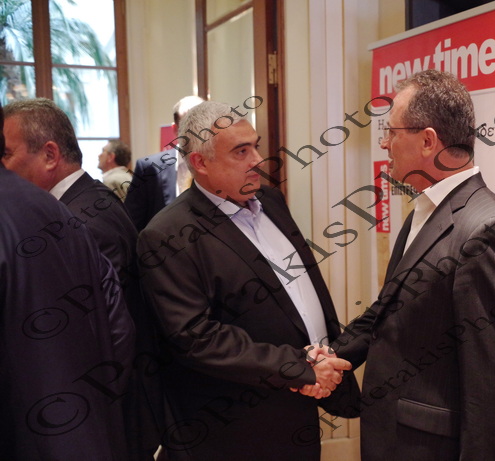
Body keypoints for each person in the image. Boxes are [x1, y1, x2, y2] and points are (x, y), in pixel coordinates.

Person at [312, 70, 495, 460]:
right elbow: (388, 310)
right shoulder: (427, 208)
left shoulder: (488, 231)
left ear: (428, 141)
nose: (385, 143)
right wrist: (333, 354)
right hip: (393, 434)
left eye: (391, 132)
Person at [136, 100, 359, 460]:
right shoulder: (167, 234)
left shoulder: (271, 200)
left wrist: (319, 362)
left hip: (298, 406)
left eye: (255, 146)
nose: (257, 159)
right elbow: (197, 338)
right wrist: (299, 367)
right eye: (241, 151)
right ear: (200, 163)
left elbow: (297, 292)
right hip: (232, 428)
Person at [2, 98, 163, 460]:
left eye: (7, 153)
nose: (3, 166)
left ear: (49, 154)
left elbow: (112, 334)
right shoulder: (86, 201)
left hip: (104, 416)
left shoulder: (79, 221)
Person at [125, 95, 204, 231]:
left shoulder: (222, 164)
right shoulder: (149, 168)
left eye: (202, 124)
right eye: (189, 125)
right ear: (175, 129)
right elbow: (132, 226)